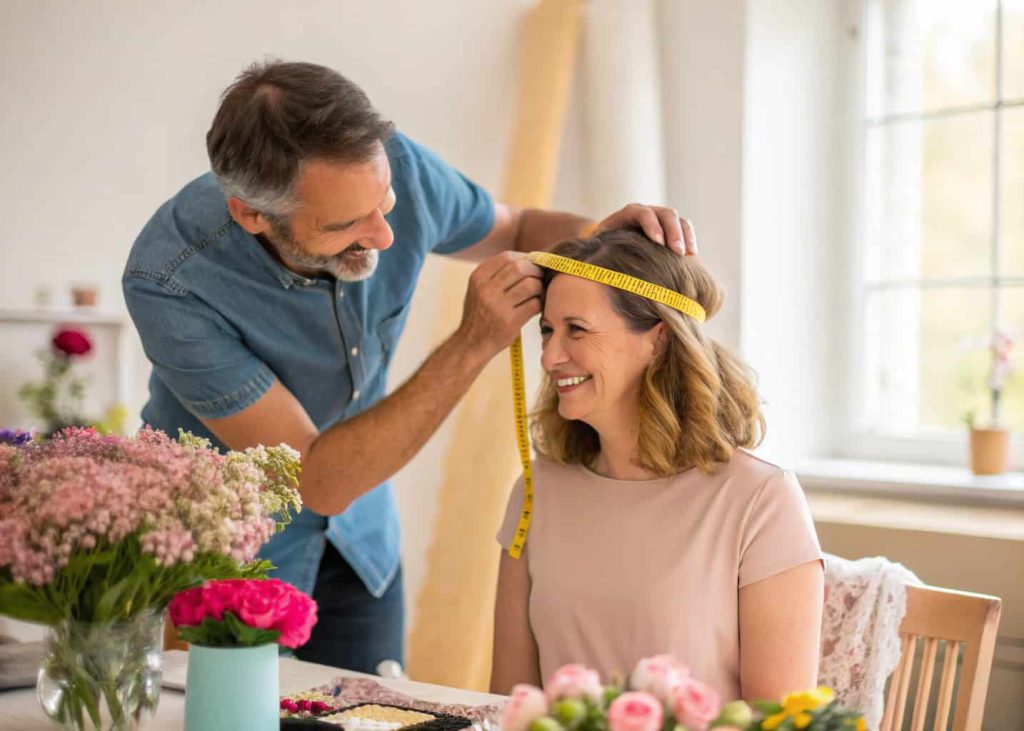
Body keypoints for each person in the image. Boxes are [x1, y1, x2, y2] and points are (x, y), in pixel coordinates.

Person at [122, 60, 696, 673]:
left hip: (360, 549)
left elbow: (518, 228)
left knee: (374, 712)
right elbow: (315, 480)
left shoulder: (401, 166)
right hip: (226, 563)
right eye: (345, 224)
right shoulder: (171, 281)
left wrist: (602, 239)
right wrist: (472, 343)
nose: (385, 235)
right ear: (251, 215)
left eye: (385, 203)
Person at [491, 230, 824, 701]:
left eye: (577, 329)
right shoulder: (536, 491)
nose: (548, 357)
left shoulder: (759, 500)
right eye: (547, 330)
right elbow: (509, 700)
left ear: (660, 340)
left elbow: (779, 720)